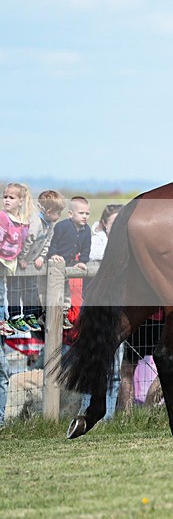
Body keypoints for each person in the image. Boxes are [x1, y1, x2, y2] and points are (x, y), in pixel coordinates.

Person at [79, 203, 124, 420]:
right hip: (99, 309)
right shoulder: (97, 242)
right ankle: (88, 412)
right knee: (96, 366)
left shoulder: (124, 244)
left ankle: (109, 418)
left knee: (115, 372)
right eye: (113, 222)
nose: (117, 227)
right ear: (105, 224)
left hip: (117, 309)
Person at [0, 182, 35, 427]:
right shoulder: (3, 219)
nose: (7, 200)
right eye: (5, 196)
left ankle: (2, 420)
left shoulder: (24, 223)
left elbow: (27, 247)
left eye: (12, 197)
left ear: (21, 200)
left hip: (11, 274)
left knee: (3, 371)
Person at [7, 190, 65, 332]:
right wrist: (22, 258)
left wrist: (41, 257)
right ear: (49, 211)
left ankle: (29, 315)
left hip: (32, 262)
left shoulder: (49, 225)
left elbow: (47, 242)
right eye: (58, 213)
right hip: (19, 261)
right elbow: (26, 241)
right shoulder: (35, 223)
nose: (59, 216)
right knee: (15, 288)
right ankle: (14, 316)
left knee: (31, 289)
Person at [47, 196, 91, 329]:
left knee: (67, 294)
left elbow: (86, 248)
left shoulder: (86, 230)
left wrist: (82, 261)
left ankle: (63, 316)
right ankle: (48, 316)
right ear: (71, 214)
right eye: (81, 213)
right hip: (55, 263)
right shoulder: (62, 226)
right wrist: (53, 254)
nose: (85, 216)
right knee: (50, 293)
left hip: (69, 264)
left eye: (87, 213)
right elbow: (52, 243)